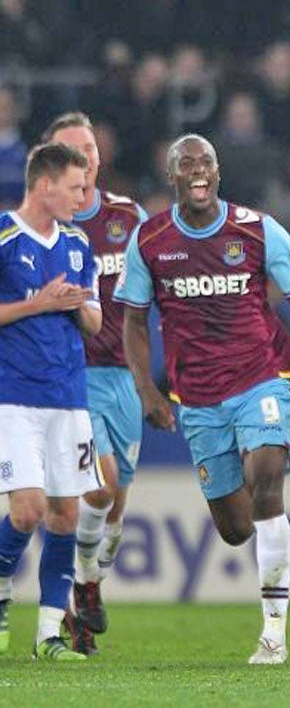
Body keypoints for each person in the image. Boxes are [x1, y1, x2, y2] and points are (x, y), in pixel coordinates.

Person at [114, 134, 290, 665]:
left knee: (267, 477)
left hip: (261, 378)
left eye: (206, 163)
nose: (198, 171)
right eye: (186, 164)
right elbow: (133, 321)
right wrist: (147, 388)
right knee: (237, 529)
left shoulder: (258, 230)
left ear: (218, 173)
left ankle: (274, 634)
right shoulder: (150, 240)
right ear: (172, 177)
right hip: (196, 396)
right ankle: (266, 539)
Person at [42, 111, 147, 654]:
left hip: (124, 377)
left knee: (116, 501)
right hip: (70, 376)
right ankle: (81, 586)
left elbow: (160, 283)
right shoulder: (42, 229)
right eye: (68, 151)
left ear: (97, 158)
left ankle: (86, 592)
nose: (80, 160)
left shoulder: (129, 218)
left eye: (86, 149)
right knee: (99, 485)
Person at [0, 143, 102, 661]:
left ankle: (48, 636)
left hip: (70, 396)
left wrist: (76, 305)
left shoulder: (80, 244)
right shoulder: (4, 236)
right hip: (14, 397)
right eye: (75, 187)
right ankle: (1, 588)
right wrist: (37, 304)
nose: (83, 197)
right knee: (28, 510)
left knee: (65, 515)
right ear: (44, 185)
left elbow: (96, 322)